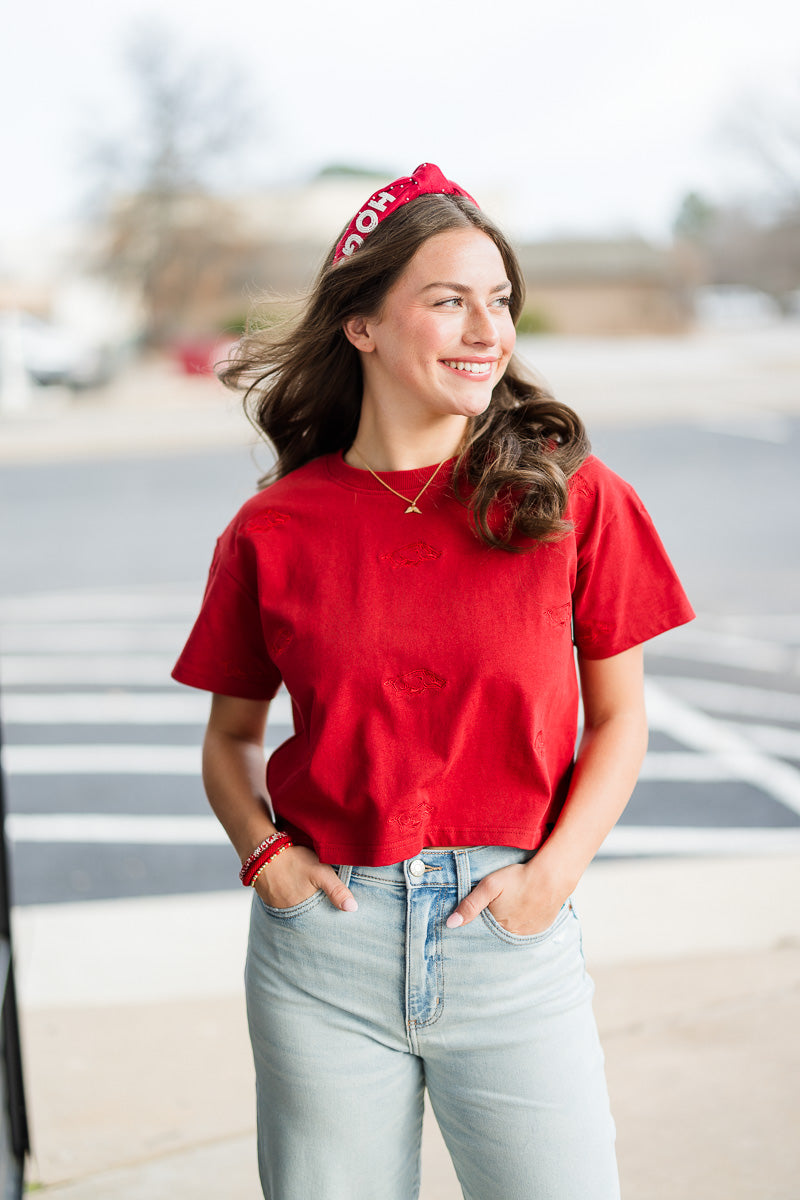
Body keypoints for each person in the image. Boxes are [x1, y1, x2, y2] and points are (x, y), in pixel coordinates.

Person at [172, 163, 694, 1200]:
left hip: (508, 934)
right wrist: (266, 857)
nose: (484, 329)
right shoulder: (274, 529)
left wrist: (546, 885)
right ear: (360, 324)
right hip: (320, 949)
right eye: (447, 299)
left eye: (497, 301)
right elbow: (230, 738)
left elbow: (620, 719)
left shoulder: (572, 497)